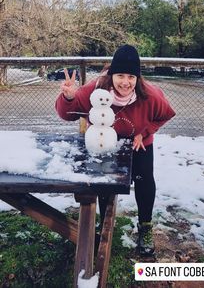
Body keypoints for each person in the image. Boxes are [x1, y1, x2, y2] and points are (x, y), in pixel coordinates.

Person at [55, 44, 175, 256]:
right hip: (105, 143)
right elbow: (68, 114)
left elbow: (165, 114)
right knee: (105, 182)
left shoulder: (150, 95)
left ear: (138, 78)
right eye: (120, 75)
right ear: (112, 75)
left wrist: (145, 132)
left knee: (144, 178)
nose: (126, 82)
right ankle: (104, 223)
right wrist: (69, 97)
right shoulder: (96, 89)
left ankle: (145, 226)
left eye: (131, 76)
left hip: (139, 143)